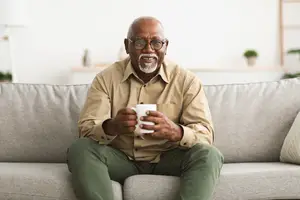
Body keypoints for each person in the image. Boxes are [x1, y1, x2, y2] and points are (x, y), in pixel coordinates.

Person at [67, 16, 224, 200]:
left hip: (169, 158)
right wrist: (112, 126)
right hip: (120, 159)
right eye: (140, 42)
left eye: (156, 42)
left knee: (209, 155)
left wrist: (176, 132)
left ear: (165, 46)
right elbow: (85, 130)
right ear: (127, 46)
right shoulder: (105, 79)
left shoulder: (187, 81)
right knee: (80, 149)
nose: (149, 49)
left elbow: (205, 135)